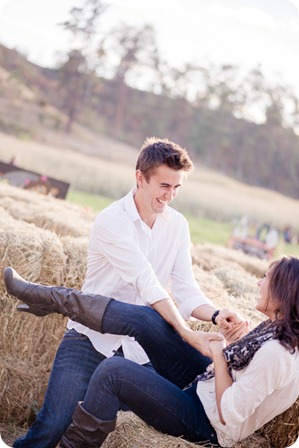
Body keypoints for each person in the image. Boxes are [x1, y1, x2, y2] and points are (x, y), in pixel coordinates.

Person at [9, 137, 246, 448]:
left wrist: (216, 314)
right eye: (164, 186)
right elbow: (146, 282)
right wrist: (188, 334)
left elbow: (186, 289)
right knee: (51, 428)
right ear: (139, 178)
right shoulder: (111, 220)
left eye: (177, 188)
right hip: (89, 341)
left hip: (138, 354)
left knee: (111, 431)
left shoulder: (178, 226)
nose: (170, 196)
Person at [4, 255, 299, 447]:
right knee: (148, 320)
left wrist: (222, 355)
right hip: (204, 385)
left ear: (281, 292)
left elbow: (231, 413)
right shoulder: (278, 329)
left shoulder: (279, 354)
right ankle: (50, 299)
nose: (259, 282)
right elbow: (247, 375)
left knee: (112, 373)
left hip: (205, 420)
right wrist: (235, 342)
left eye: (266, 278)